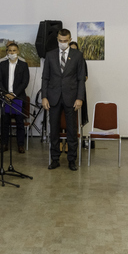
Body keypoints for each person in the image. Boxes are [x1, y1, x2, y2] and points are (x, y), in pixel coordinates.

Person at [41, 28, 85, 171]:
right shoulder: (50, 55)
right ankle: (55, 159)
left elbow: (81, 79)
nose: (62, 43)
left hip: (71, 98)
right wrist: (44, 97)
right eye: (60, 40)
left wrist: (80, 98)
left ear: (70, 39)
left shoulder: (77, 55)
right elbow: (45, 77)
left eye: (65, 41)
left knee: (72, 130)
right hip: (53, 97)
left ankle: (72, 159)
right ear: (57, 40)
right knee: (54, 130)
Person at [0, 41, 30, 153]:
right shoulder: (2, 64)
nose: (12, 52)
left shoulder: (23, 65)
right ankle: (4, 144)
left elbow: (25, 82)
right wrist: (6, 94)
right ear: (7, 52)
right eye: (10, 51)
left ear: (18, 51)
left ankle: (20, 145)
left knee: (20, 122)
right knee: (5, 122)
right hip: (5, 97)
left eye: (14, 51)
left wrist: (14, 94)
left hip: (18, 97)